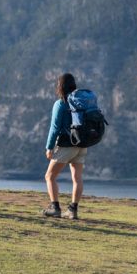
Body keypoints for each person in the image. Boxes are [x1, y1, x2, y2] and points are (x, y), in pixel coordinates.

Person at [43, 73, 86, 219]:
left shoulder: (60, 103)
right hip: (82, 144)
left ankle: (55, 208)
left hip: (66, 145)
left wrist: (49, 147)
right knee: (77, 178)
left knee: (50, 176)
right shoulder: (81, 102)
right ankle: (73, 210)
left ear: (60, 86)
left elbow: (54, 128)